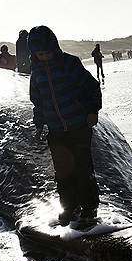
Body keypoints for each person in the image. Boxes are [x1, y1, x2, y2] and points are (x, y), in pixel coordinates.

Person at [28, 25, 102, 226]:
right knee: (62, 172)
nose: (44, 57)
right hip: (56, 130)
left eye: (47, 52)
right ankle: (69, 206)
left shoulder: (70, 64)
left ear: (55, 47)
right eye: (40, 54)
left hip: (78, 126)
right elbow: (38, 101)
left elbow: (91, 87)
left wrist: (92, 111)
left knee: (82, 168)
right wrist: (39, 124)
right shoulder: (37, 73)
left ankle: (89, 206)